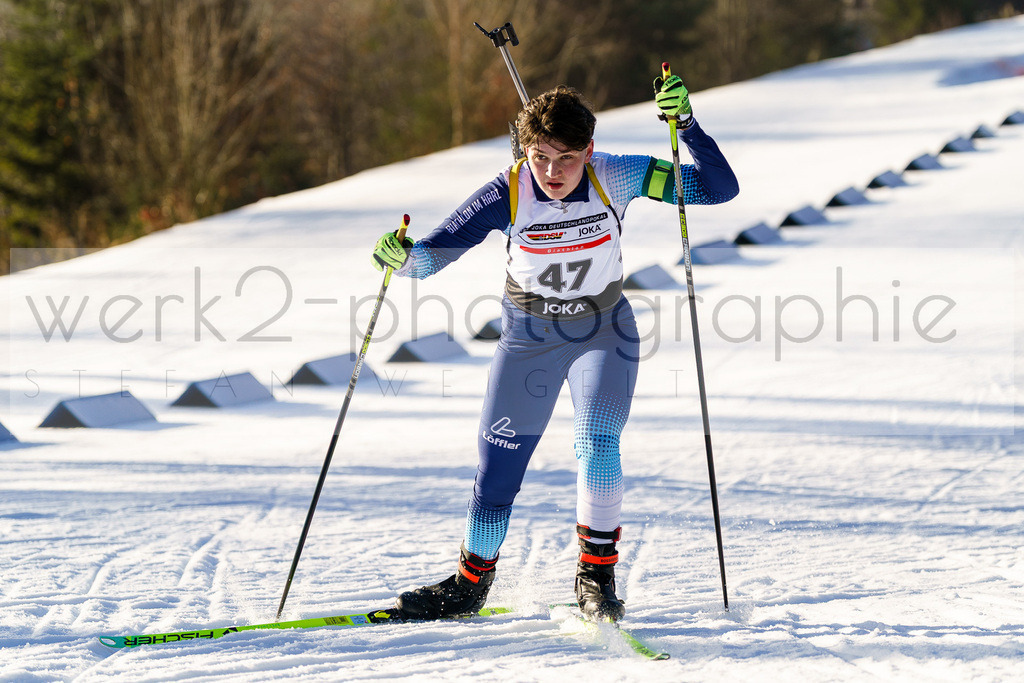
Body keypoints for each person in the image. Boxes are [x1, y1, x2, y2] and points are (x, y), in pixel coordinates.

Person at [371, 75, 738, 622]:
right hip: (529, 343)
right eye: (541, 156)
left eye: (568, 157)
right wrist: (397, 256)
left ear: (588, 151)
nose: (553, 171)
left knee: (598, 441)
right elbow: (429, 258)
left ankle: (596, 578)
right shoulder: (508, 191)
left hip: (603, 333)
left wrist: (685, 124)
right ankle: (470, 584)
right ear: (524, 151)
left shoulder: (618, 172)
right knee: (498, 470)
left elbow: (716, 187)